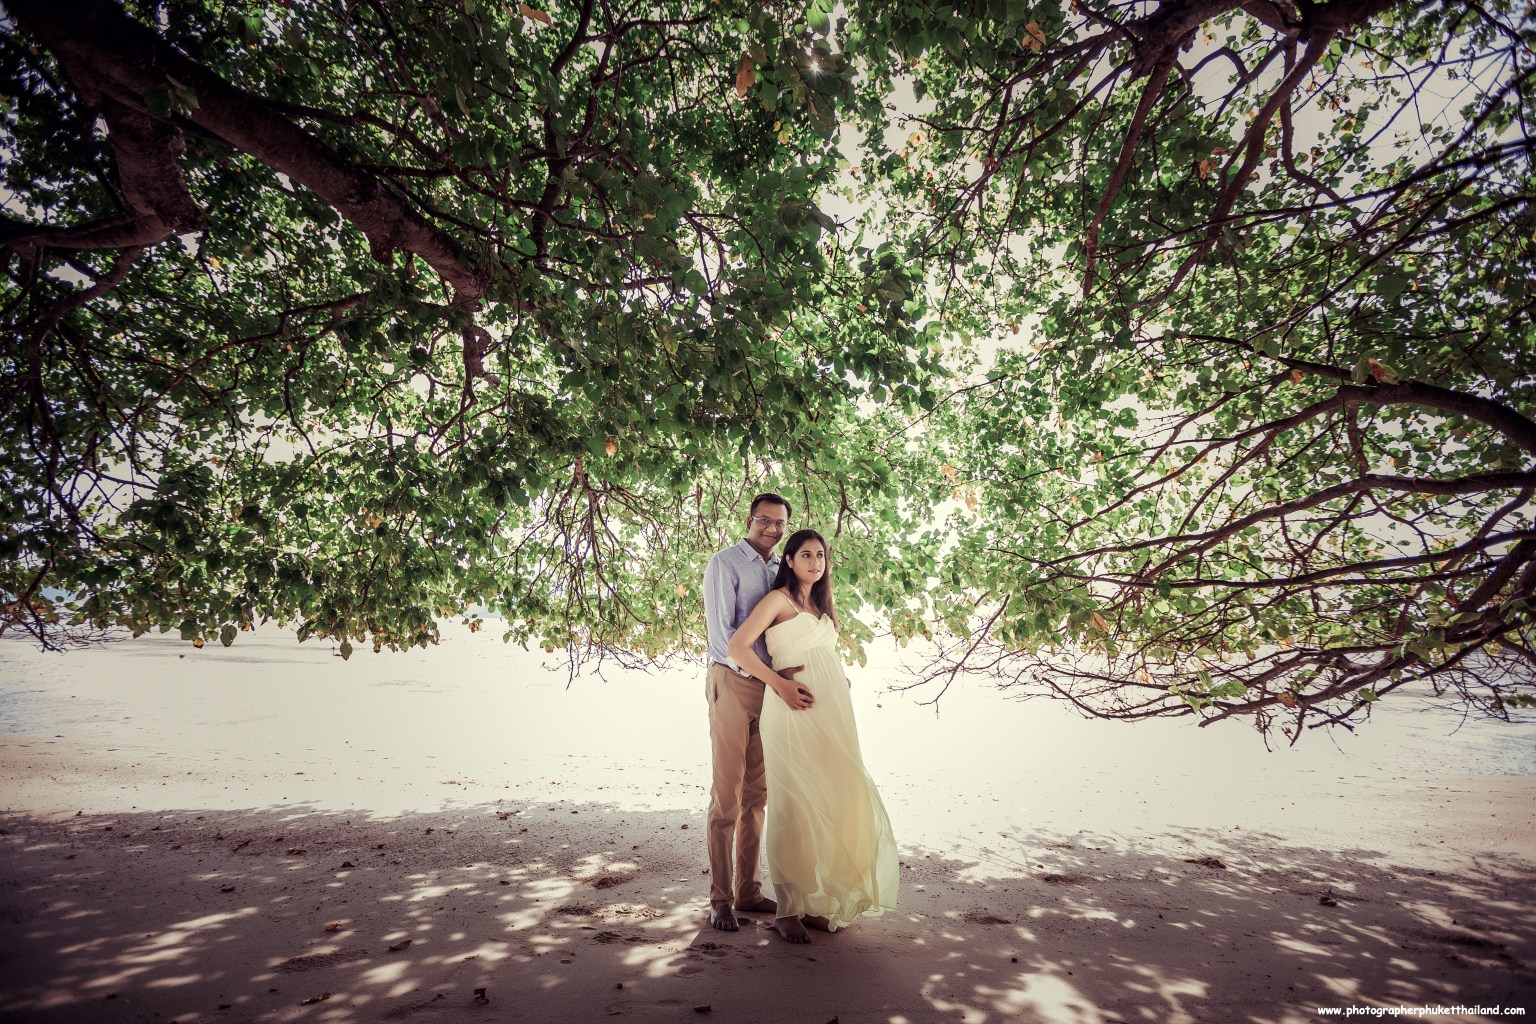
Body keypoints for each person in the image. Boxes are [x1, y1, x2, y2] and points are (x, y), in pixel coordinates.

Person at [727, 528, 899, 944]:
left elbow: (822, 654)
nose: (814, 562)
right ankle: (787, 909)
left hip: (831, 715)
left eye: (820, 555)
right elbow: (737, 647)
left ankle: (816, 904)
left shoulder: (820, 603)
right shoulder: (777, 601)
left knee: (833, 798)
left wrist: (837, 677)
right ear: (788, 560)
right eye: (805, 554)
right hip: (790, 711)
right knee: (793, 803)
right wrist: (777, 685)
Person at [702, 493, 813, 932]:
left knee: (757, 796)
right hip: (733, 684)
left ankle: (749, 890)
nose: (771, 528)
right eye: (764, 520)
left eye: (779, 522)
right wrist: (772, 680)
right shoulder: (724, 563)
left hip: (773, 691)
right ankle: (720, 899)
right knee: (725, 796)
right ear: (750, 520)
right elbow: (722, 637)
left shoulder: (780, 571)